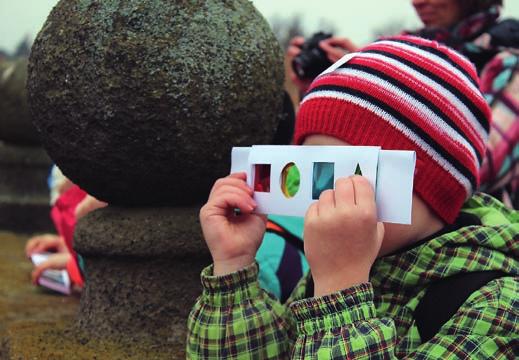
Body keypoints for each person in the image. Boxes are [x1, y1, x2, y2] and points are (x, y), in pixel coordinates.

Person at [186, 36, 518, 358]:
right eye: (314, 171)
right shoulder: (334, 268)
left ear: (434, 191)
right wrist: (234, 272)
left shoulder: (499, 305)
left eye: (356, 176)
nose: (327, 197)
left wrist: (341, 292)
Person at [288, 0, 519, 208]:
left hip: (475, 236)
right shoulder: (401, 44)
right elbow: (338, 156)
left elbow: (478, 170)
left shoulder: (508, 58)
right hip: (380, 233)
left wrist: (382, 84)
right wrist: (330, 87)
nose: (417, 2)